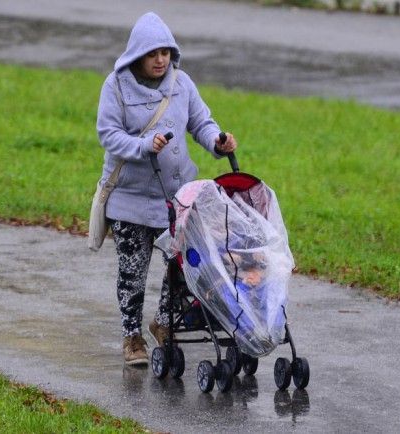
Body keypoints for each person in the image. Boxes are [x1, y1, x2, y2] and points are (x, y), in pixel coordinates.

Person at [96, 12, 237, 365]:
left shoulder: (181, 83)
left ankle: (162, 323)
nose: (160, 60)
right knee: (133, 272)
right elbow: (108, 135)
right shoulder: (115, 86)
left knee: (182, 269)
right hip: (129, 200)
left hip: (176, 199)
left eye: (165, 52)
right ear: (137, 55)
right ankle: (132, 339)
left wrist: (217, 143)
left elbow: (201, 122)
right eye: (152, 53)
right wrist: (144, 146)